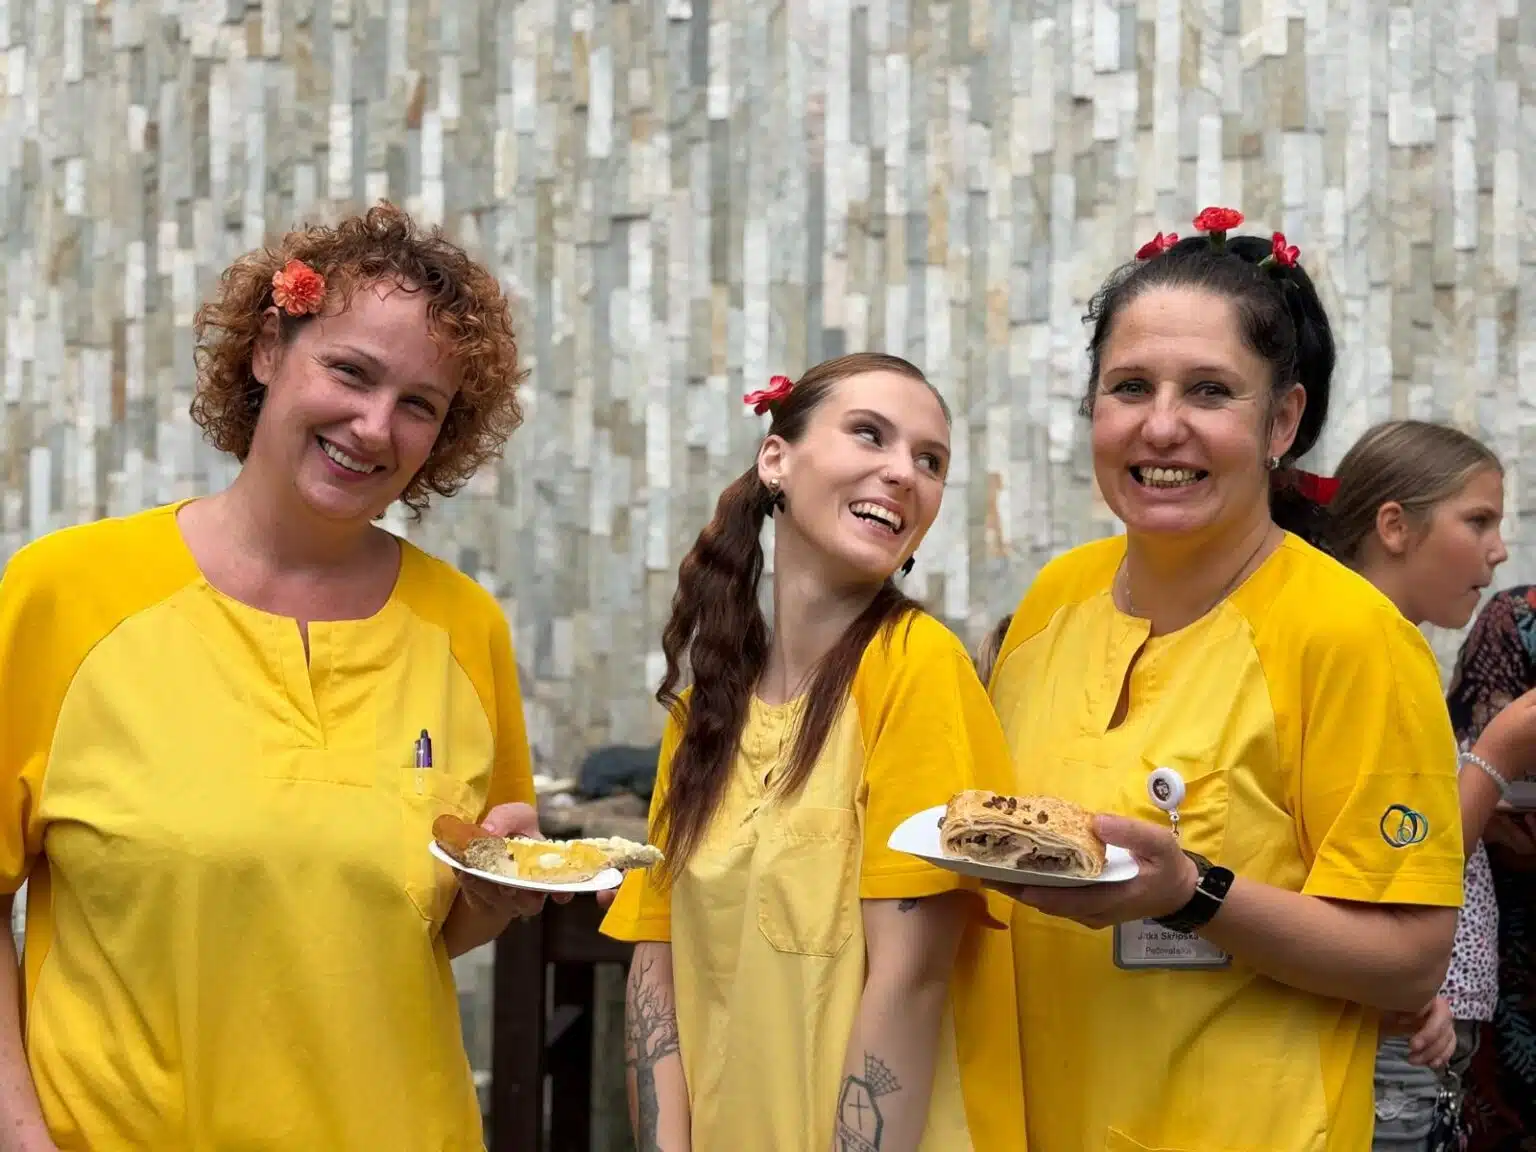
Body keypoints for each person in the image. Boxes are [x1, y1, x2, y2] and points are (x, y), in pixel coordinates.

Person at [0, 203, 549, 1150]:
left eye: (419, 404)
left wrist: (493, 899)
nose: (374, 426)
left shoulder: (465, 629)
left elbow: (416, 924)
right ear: (266, 350)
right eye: (351, 371)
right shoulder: (66, 595)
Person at [986, 208, 1484, 1151]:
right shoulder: (1054, 599)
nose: (1161, 425)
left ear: (1280, 421)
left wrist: (1191, 892)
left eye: (1210, 391)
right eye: (1130, 386)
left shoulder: (1353, 638)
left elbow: (1411, 961)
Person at [599, 355, 1027, 1151]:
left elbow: (912, 978)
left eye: (930, 461)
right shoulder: (704, 713)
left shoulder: (917, 668)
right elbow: (655, 968)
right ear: (777, 460)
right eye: (869, 434)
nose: (902, 472)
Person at [1323, 419, 1513, 1148]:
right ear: (1395, 527)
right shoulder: (1363, 654)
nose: (1498, 549)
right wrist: (1497, 754)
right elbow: (1404, 858)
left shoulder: (1390, 650)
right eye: (1478, 521)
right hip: (1387, 1029)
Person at [1438, 589, 1536, 1150]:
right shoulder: (1517, 622)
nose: (1497, 551)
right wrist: (1495, 765)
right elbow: (1459, 822)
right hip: (1500, 979)